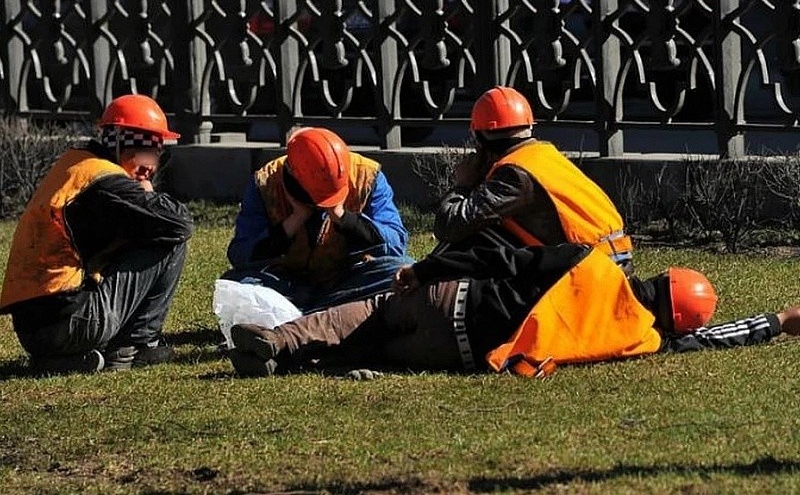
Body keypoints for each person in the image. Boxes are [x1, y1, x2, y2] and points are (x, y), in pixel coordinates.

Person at [225, 231, 800, 378]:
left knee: (369, 314)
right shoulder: (645, 340)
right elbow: (717, 336)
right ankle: (326, 361)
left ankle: (279, 342)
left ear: (660, 277)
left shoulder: (589, 263)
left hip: (453, 300)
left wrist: (425, 269)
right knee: (376, 346)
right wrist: (779, 321)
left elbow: (499, 257)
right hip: (468, 352)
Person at [0, 94, 193, 374]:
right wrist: (147, 192)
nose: (152, 164)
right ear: (122, 144)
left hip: (33, 331)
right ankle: (136, 346)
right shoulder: (105, 181)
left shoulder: (75, 164)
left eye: (158, 153)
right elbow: (180, 223)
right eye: (150, 150)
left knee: (150, 229)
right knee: (171, 239)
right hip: (74, 322)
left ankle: (63, 360)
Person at [434, 86, 635, 275]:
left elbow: (449, 226)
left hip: (590, 270)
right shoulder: (543, 156)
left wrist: (464, 185)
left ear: (479, 137)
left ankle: (416, 291)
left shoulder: (515, 175)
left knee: (475, 235)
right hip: (612, 260)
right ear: (529, 126)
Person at [225, 126, 412, 312]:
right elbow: (240, 255)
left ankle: (303, 317)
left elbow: (396, 245)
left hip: (348, 282)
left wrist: (343, 217)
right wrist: (294, 220)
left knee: (404, 272)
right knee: (237, 284)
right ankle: (330, 315)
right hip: (285, 286)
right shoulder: (265, 183)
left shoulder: (368, 176)